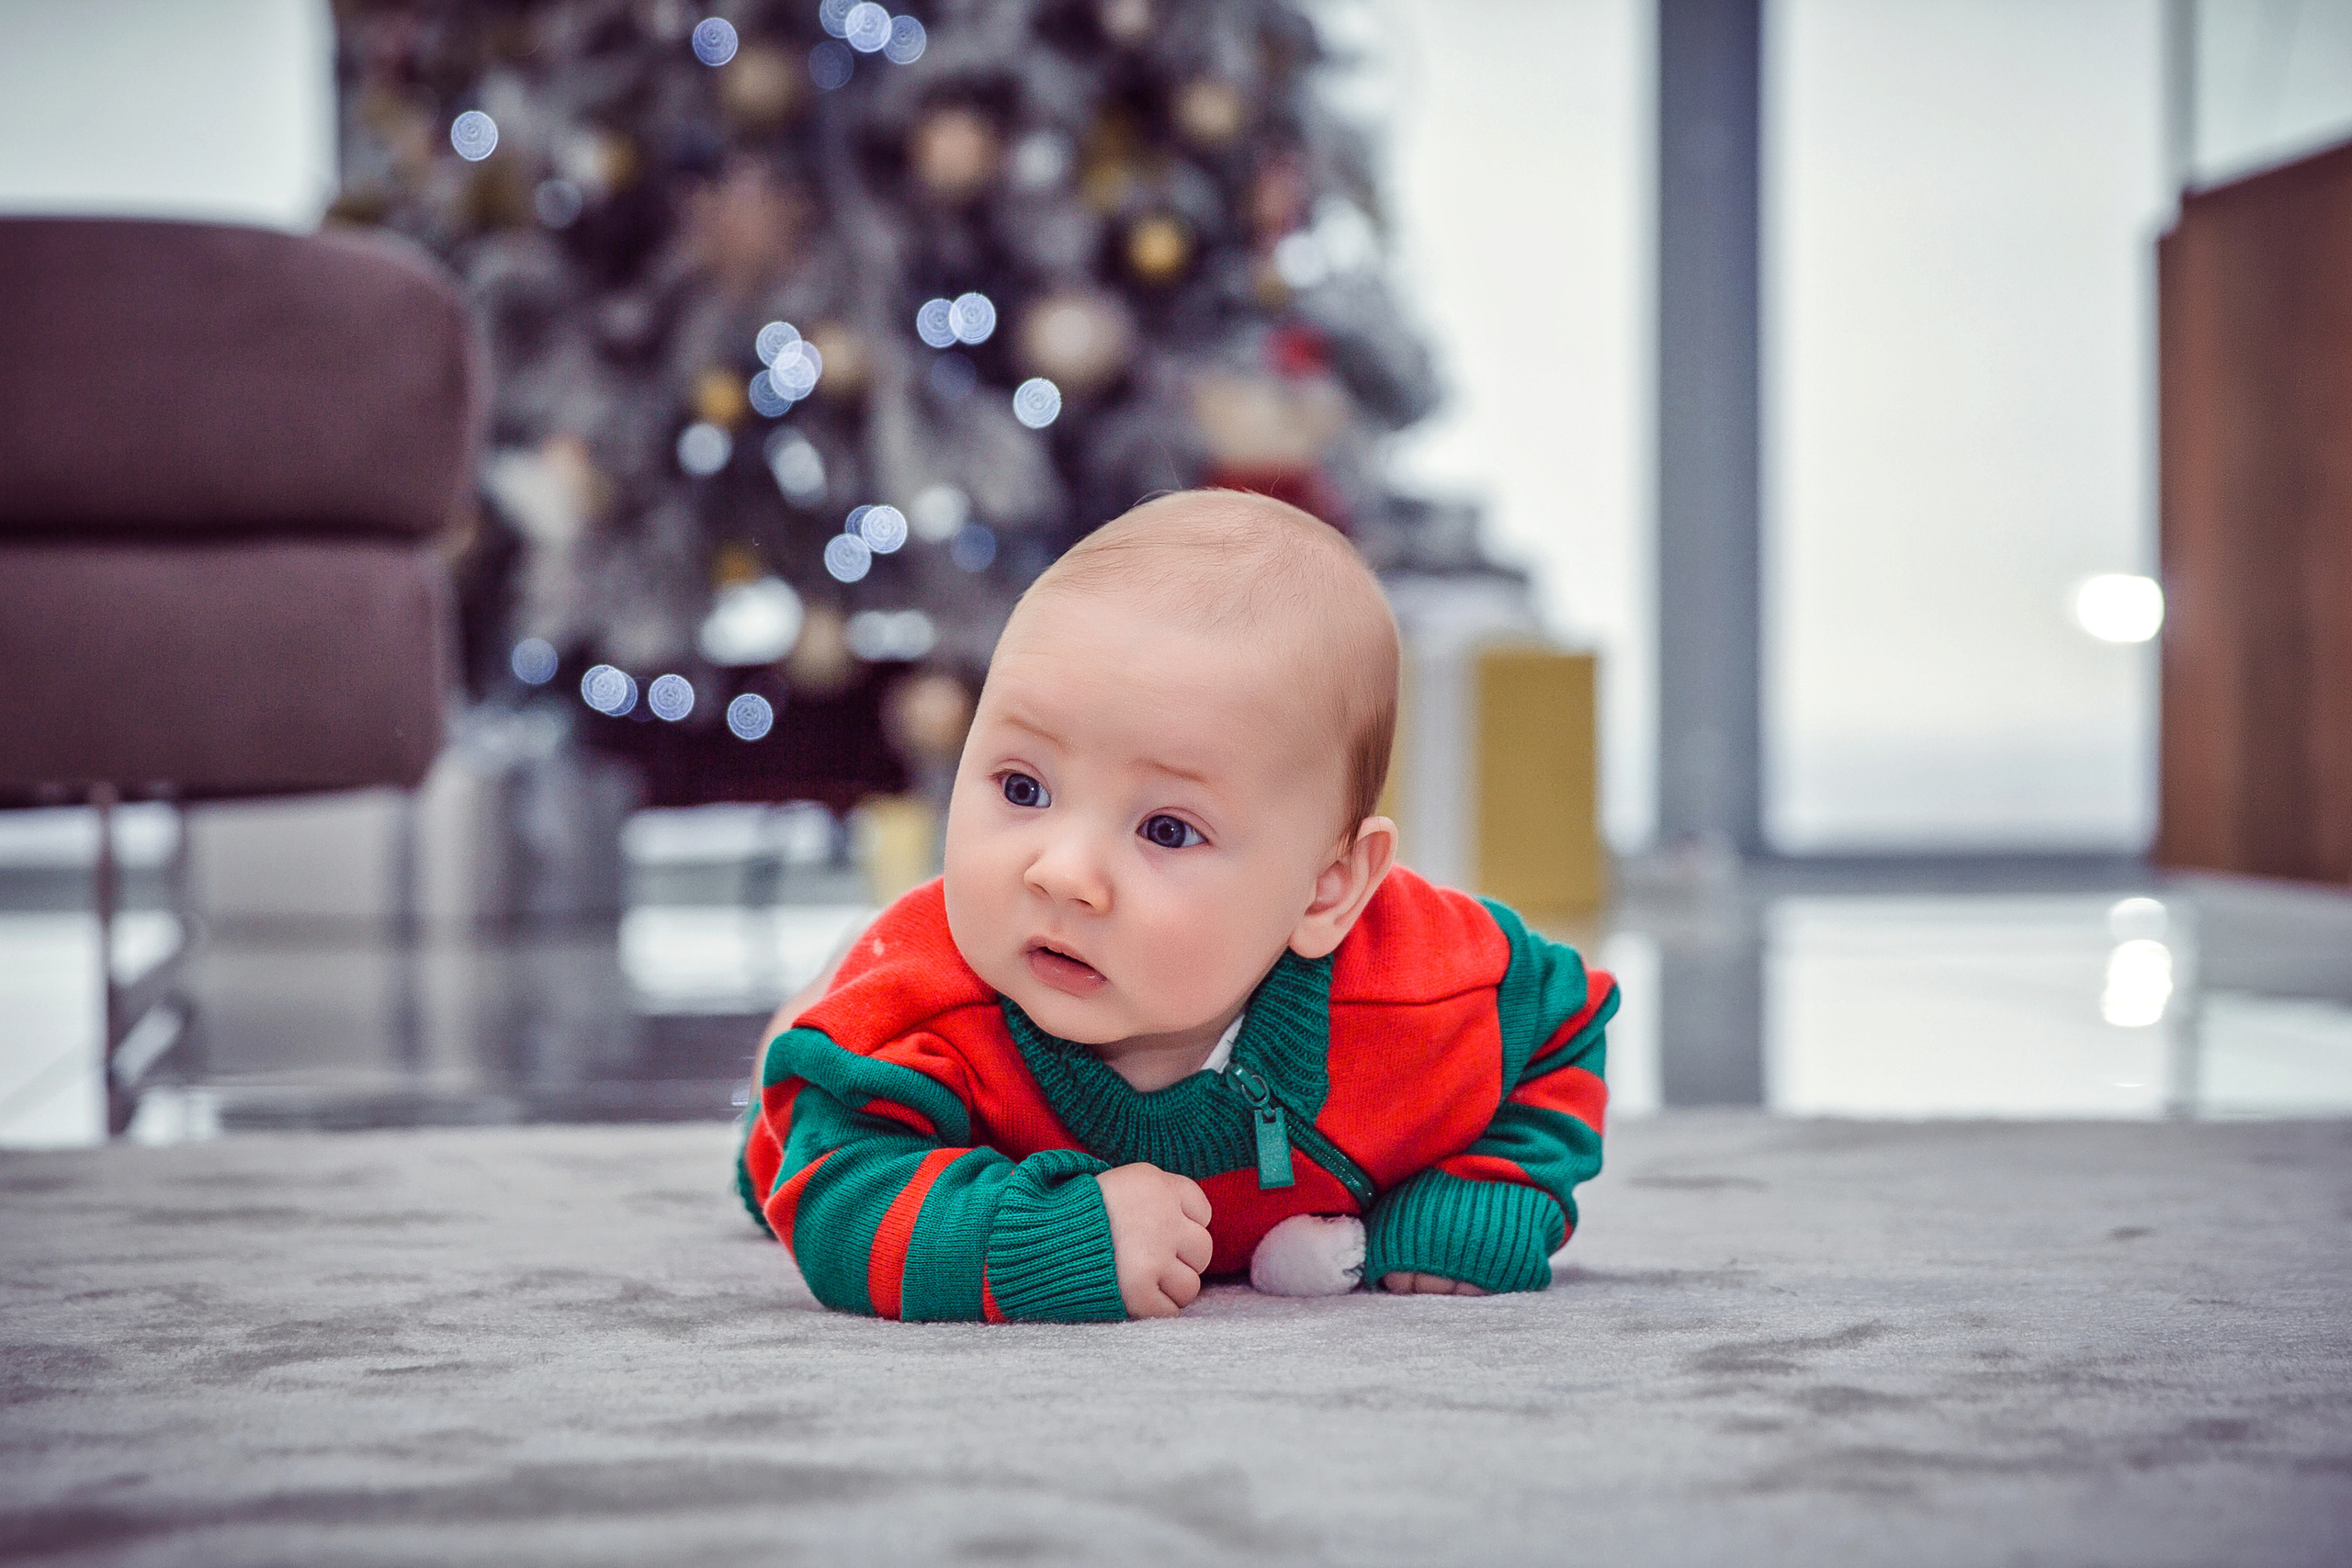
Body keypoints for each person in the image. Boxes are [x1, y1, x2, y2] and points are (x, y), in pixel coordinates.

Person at [738, 490, 1616, 1321]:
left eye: (1166, 829)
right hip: (860, 1056)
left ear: (1328, 888)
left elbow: (1562, 1026)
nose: (1063, 872)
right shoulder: (924, 1001)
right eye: (1022, 786)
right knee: (789, 1111)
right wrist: (1051, 1238)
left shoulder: (1419, 982)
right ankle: (808, 1009)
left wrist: (1486, 1192)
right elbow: (835, 1195)